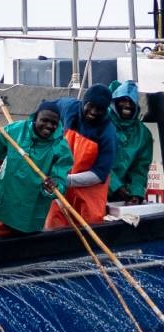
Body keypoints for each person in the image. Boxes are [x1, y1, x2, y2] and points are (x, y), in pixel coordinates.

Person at [0, 102, 73, 239]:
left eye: (54, 123)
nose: (49, 126)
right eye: (44, 120)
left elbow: (60, 183)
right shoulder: (15, 130)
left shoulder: (61, 147)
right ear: (35, 118)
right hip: (1, 207)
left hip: (30, 215)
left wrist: (52, 187)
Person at [44, 84, 117, 228]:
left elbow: (99, 174)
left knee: (90, 231)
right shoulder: (68, 107)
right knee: (53, 226)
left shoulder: (109, 134)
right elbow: (45, 109)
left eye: (100, 109)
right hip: (59, 186)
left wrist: (66, 180)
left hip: (89, 192)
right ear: (84, 101)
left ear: (106, 110)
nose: (93, 112)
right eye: (90, 106)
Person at [107, 80, 153, 205]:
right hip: (97, 191)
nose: (127, 105)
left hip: (122, 197)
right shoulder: (102, 125)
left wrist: (136, 193)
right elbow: (95, 161)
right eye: (122, 100)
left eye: (131, 101)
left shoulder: (143, 134)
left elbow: (140, 168)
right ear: (114, 102)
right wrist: (116, 186)